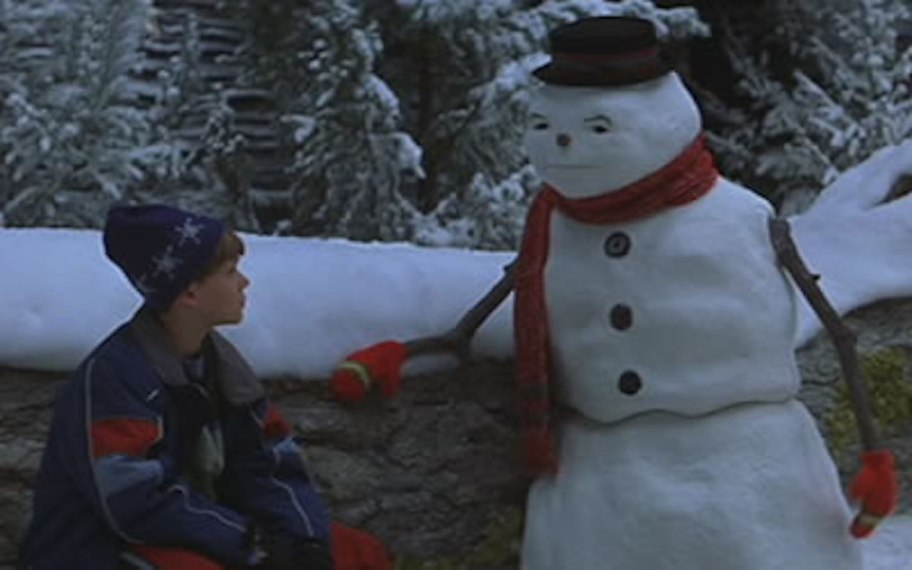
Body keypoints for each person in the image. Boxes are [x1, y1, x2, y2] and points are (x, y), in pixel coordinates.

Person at [18, 204, 392, 570]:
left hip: (209, 533)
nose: (244, 283)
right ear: (189, 293)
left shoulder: (224, 368)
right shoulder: (114, 377)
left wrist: (304, 540)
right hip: (98, 549)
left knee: (358, 554)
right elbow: (134, 502)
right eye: (230, 272)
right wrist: (251, 543)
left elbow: (268, 462)